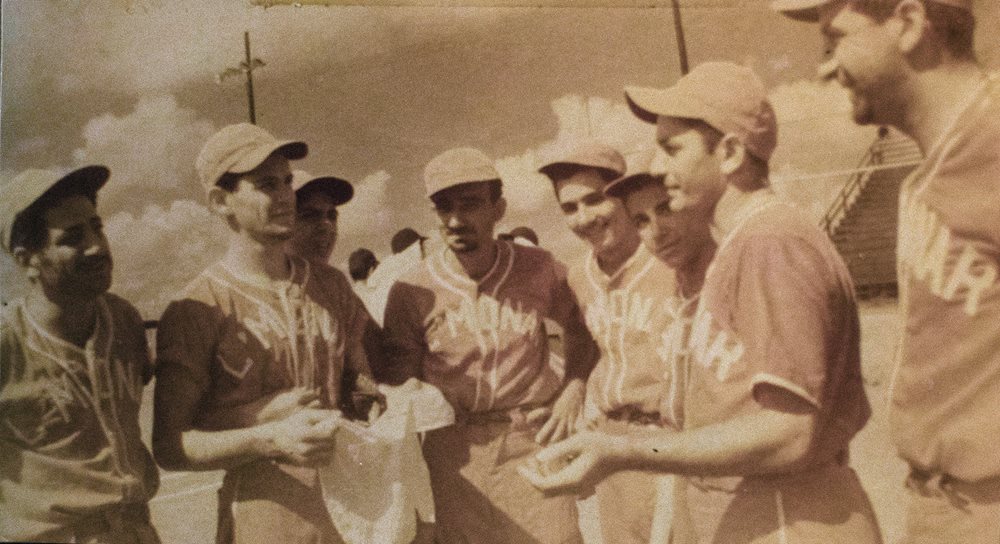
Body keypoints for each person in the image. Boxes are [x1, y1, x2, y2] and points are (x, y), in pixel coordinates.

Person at [522, 62, 882, 544]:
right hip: (751, 507)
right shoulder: (739, 246)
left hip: (791, 514)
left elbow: (791, 434)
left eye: (672, 149)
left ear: (730, 152)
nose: (660, 167)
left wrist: (626, 453)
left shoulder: (770, 242)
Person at [772, 1, 1000, 541]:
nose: (826, 67)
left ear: (909, 22)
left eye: (836, 39)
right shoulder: (931, 169)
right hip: (940, 505)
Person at [153, 123, 380, 544]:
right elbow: (170, 445)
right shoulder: (198, 307)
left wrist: (380, 406)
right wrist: (267, 436)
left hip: (349, 509)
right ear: (222, 202)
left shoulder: (331, 286)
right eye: (265, 185)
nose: (284, 196)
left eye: (287, 182)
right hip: (263, 515)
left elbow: (361, 387)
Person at [382, 146, 598, 543]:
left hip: (530, 440)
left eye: (470, 205)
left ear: (498, 208)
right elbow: (399, 387)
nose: (455, 220)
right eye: (443, 207)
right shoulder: (411, 290)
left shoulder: (538, 267)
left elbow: (582, 324)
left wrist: (574, 387)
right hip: (456, 455)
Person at [0, 166, 161, 543]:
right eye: (72, 238)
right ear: (27, 260)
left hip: (136, 531)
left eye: (97, 227)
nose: (96, 246)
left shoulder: (123, 320)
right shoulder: (8, 344)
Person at [537, 141, 683, 544]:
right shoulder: (579, 277)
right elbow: (582, 335)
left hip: (671, 439)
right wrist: (575, 384)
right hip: (613, 440)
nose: (583, 218)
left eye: (594, 200)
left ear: (620, 196)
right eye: (569, 208)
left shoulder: (671, 261)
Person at [285, 169, 354, 265]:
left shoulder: (335, 279)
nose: (327, 226)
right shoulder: (261, 278)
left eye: (332, 216)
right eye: (310, 216)